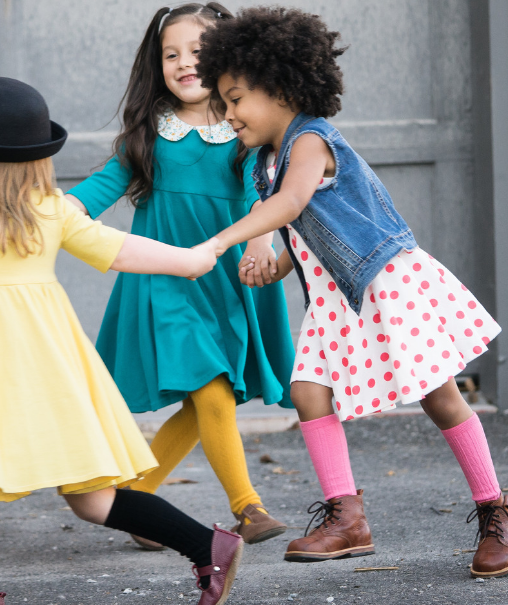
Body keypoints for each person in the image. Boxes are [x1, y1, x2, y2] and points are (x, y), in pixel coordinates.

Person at [0, 76, 245, 605]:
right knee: (93, 501)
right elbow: (121, 249)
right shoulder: (52, 211)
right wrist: (194, 259)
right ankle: (207, 546)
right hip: (51, 375)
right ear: (37, 158)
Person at [194, 6, 507, 578]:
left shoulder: (311, 140)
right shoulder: (268, 161)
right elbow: (310, 225)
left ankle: (495, 510)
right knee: (309, 390)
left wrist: (221, 243)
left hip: (387, 283)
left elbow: (290, 205)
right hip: (337, 296)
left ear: (281, 88)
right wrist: (281, 261)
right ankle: (348, 517)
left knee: (439, 397)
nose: (229, 113)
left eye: (236, 98)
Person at [65, 3, 295, 547]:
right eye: (171, 54)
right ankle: (248, 507)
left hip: (229, 279)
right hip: (165, 278)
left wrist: (261, 250)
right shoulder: (150, 132)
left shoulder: (249, 126)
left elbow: (267, 198)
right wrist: (58, 212)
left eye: (198, 51)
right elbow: (97, 189)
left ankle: (139, 502)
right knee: (211, 387)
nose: (185, 63)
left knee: (207, 400)